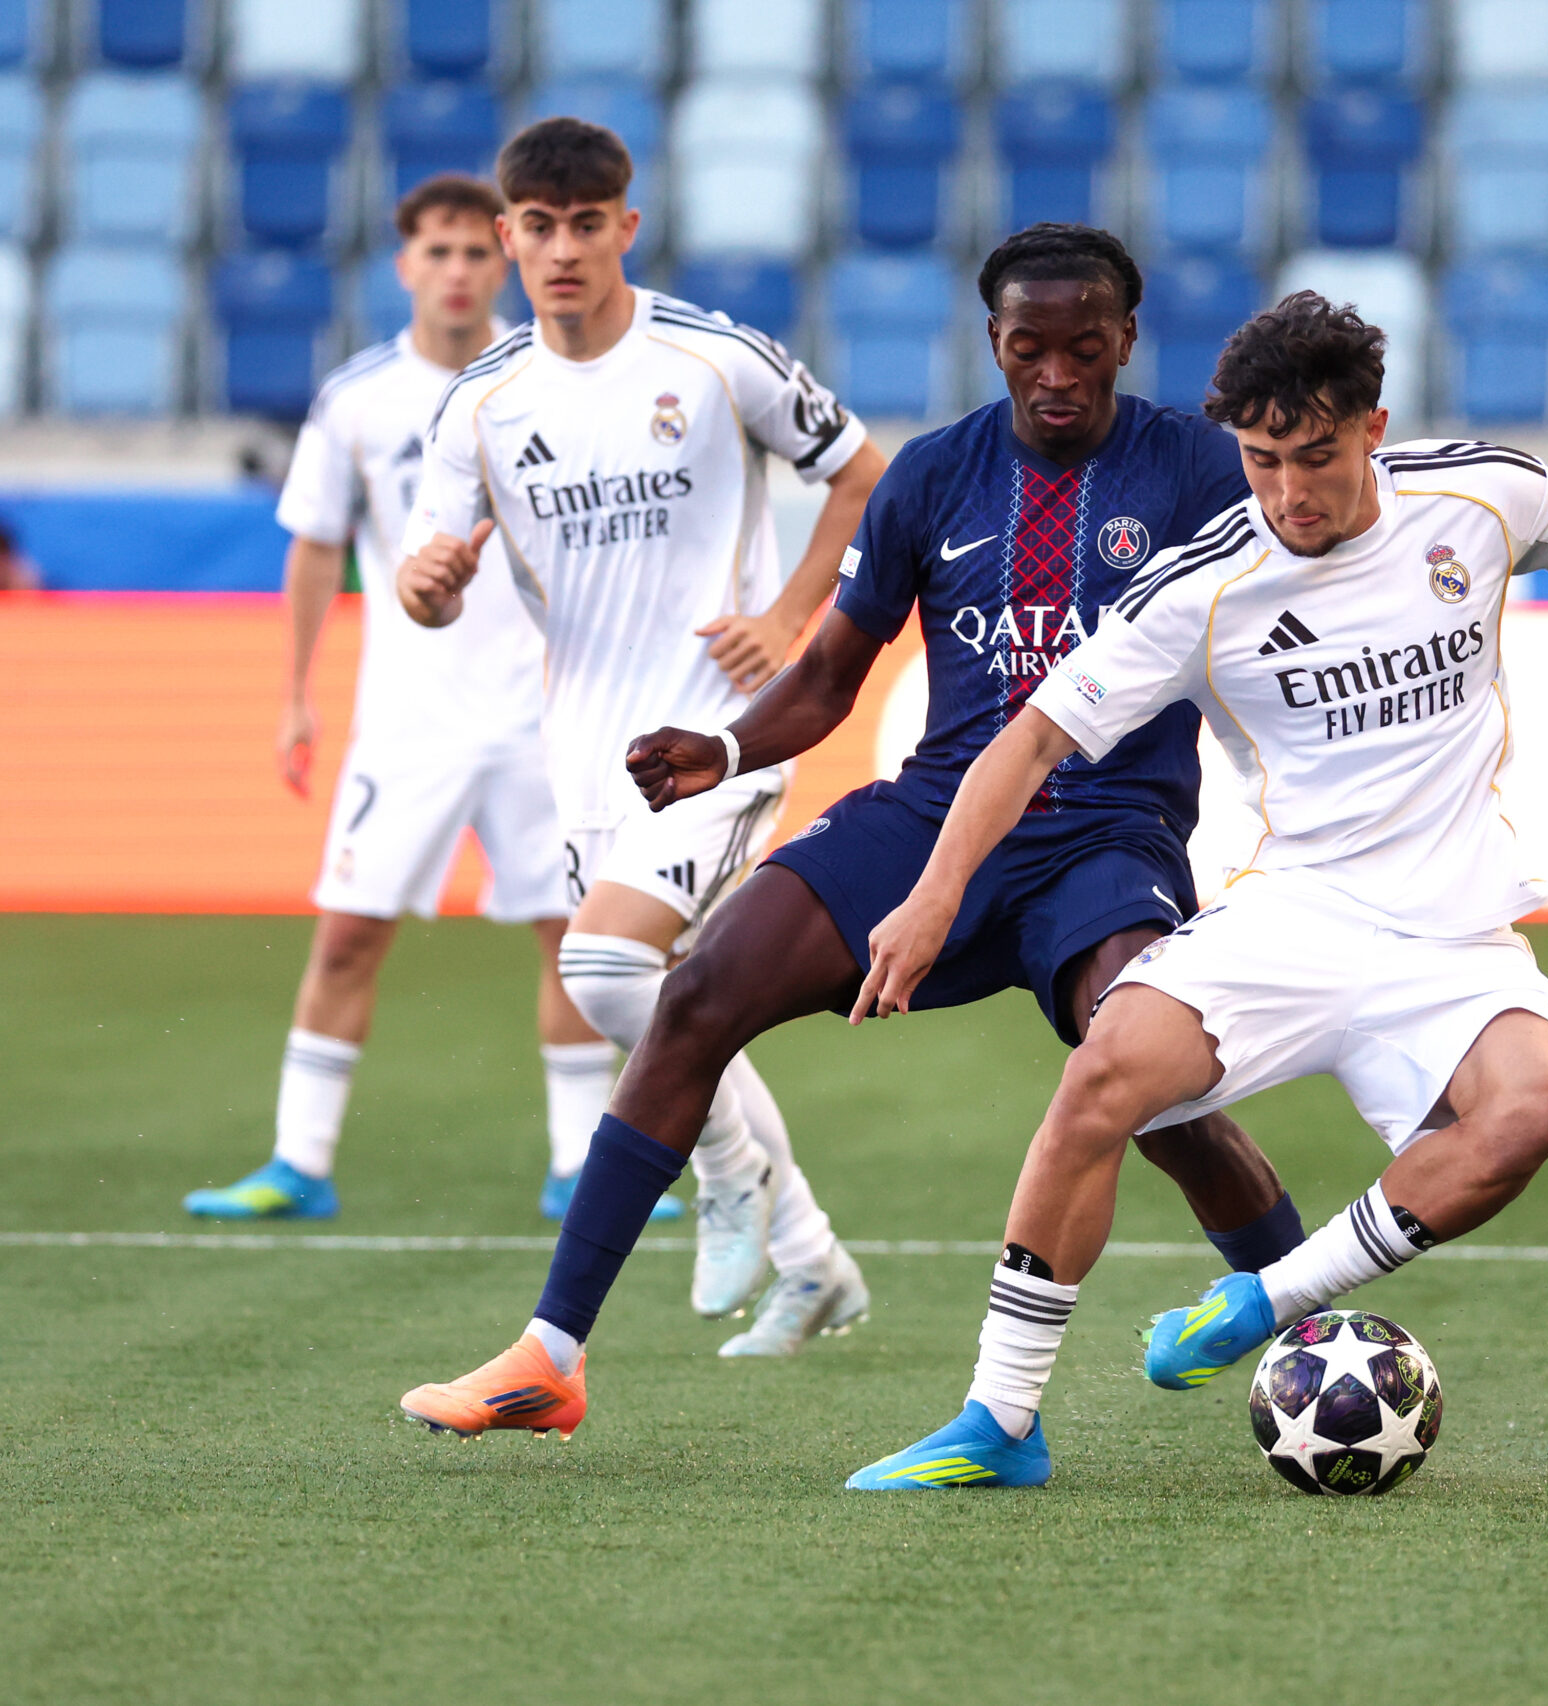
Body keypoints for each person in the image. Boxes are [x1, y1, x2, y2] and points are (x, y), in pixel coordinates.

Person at [840, 291, 1548, 1490]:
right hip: (1294, 916)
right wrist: (934, 893)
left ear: (1373, 427)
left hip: (1455, 938)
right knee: (1102, 1073)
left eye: (1312, 457)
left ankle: (1265, 1296)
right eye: (1260, 461)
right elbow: (1029, 740)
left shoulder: (1479, 497)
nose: (1285, 494)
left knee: (1536, 1107)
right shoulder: (1202, 582)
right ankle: (998, 1421)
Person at [392, 222, 1310, 1437]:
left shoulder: (1203, 469)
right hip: (935, 811)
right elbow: (830, 672)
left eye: (1084, 348)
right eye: (1027, 346)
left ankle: (1310, 1335)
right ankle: (548, 1355)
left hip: (1107, 827)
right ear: (992, 341)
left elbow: (1313, 575)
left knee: (1152, 1090)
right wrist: (723, 747)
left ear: (1126, 340)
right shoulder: (934, 473)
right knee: (698, 989)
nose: (1056, 374)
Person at [385, 117, 891, 1369]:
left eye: (586, 223)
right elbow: (422, 585)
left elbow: (862, 472)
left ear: (627, 226)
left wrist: (790, 618)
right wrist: (432, 583)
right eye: (539, 227)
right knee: (663, 1003)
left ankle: (722, 1181)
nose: (562, 248)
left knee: (606, 970)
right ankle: (813, 1257)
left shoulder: (715, 360)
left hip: (717, 739)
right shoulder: (483, 403)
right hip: (585, 754)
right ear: (508, 239)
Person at [182, 176, 667, 1226]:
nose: (455, 271)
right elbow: (316, 545)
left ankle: (577, 1163)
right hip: (408, 719)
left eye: (471, 253)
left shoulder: (550, 378)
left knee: (568, 934)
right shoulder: (357, 399)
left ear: (502, 258)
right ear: (405, 266)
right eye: (434, 253)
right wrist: (295, 695)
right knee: (348, 933)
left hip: (546, 711)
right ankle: (297, 1160)